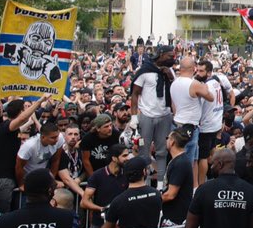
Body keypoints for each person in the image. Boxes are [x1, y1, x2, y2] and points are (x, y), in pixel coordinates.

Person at [0, 98, 45, 213]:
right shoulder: (7, 126)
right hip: (2, 181)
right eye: (26, 108)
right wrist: (40, 101)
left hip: (4, 179)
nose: (28, 111)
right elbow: (22, 118)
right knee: (1, 215)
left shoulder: (5, 126)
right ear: (20, 112)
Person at [131, 45, 176, 179]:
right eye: (170, 56)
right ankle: (144, 183)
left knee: (162, 151)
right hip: (147, 115)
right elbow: (135, 94)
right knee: (144, 151)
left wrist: (170, 76)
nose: (172, 59)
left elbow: (174, 89)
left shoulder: (169, 71)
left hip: (165, 115)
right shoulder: (144, 70)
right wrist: (134, 116)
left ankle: (161, 183)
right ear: (161, 54)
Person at [170, 56, 216, 177]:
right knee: (188, 162)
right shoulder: (194, 84)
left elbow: (173, 105)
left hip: (177, 122)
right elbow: (211, 97)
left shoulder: (174, 83)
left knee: (191, 160)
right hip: (190, 126)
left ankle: (193, 187)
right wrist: (205, 88)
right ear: (193, 68)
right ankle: (185, 188)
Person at [80, 143, 131, 228]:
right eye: (124, 155)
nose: (128, 158)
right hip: (99, 224)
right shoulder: (98, 176)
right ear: (114, 158)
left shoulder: (127, 174)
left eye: (128, 155)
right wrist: (102, 209)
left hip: (121, 225)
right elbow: (84, 202)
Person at [15, 121, 64, 189]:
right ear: (43, 137)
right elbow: (19, 167)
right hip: (28, 177)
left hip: (43, 175)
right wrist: (21, 184)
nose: (56, 140)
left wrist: (51, 179)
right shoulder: (29, 146)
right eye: (53, 138)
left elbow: (56, 160)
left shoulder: (60, 138)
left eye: (57, 136)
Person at [79, 113, 120, 177]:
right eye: (106, 126)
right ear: (98, 129)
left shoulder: (116, 135)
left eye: (111, 125)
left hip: (113, 171)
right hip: (95, 170)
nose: (110, 128)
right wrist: (93, 177)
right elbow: (85, 160)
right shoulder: (88, 138)